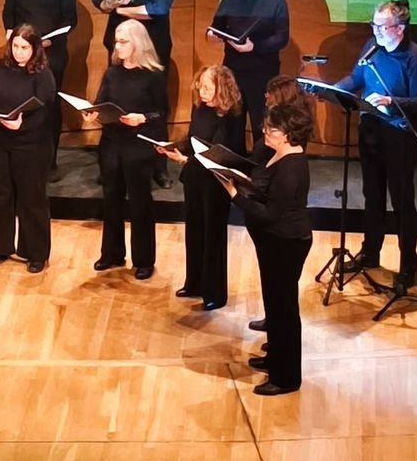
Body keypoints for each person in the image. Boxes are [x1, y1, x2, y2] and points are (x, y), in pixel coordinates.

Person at [333, 0, 417, 289]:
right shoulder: (371, 48)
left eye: (381, 26)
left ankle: (408, 267)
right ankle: (370, 253)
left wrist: (391, 101)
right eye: (373, 24)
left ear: (399, 28)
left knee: (401, 203)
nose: (374, 30)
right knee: (372, 196)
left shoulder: (416, 57)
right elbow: (356, 76)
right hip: (370, 133)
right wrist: (335, 90)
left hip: (399, 137)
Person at [222, 101, 315, 396]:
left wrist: (235, 195)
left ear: (288, 134)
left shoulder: (292, 169)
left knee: (284, 310)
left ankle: (286, 378)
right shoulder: (279, 155)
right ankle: (275, 357)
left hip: (286, 244)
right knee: (275, 305)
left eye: (272, 128)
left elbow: (271, 214)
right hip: (273, 242)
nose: (265, 131)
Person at [157, 65, 247, 310]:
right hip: (195, 178)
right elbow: (193, 140)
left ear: (222, 88)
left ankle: (215, 293)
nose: (203, 92)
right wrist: (173, 146)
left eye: (208, 87)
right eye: (201, 86)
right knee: (194, 231)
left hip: (216, 182)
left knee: (213, 235)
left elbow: (224, 152)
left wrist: (186, 160)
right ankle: (194, 283)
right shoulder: (200, 109)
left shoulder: (233, 116)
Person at [85, 19, 168, 279]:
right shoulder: (112, 72)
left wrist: (142, 118)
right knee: (111, 198)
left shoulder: (152, 74)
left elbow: (162, 112)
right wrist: (92, 113)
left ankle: (143, 259)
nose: (117, 46)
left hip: (139, 145)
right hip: (111, 143)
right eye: (116, 41)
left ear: (137, 43)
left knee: (140, 202)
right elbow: (101, 103)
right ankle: (112, 253)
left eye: (123, 41)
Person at [0, 24, 57, 273]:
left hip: (31, 144)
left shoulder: (42, 74)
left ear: (35, 49)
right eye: (15, 47)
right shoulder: (0, 68)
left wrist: (22, 122)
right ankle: (0, 247)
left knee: (31, 198)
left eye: (25, 48)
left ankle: (35, 253)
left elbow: (47, 110)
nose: (19, 52)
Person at [2, 0, 77, 171]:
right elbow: (9, 13)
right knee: (22, 100)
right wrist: (14, 35)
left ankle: (50, 160)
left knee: (49, 105)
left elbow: (70, 18)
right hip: (22, 51)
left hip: (51, 52)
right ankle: (24, 157)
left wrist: (48, 40)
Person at [208, 0, 290, 145]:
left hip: (262, 74)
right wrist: (213, 35)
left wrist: (255, 47)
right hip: (232, 72)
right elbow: (216, 27)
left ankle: (261, 171)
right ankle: (234, 171)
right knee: (231, 126)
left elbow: (282, 38)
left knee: (261, 126)